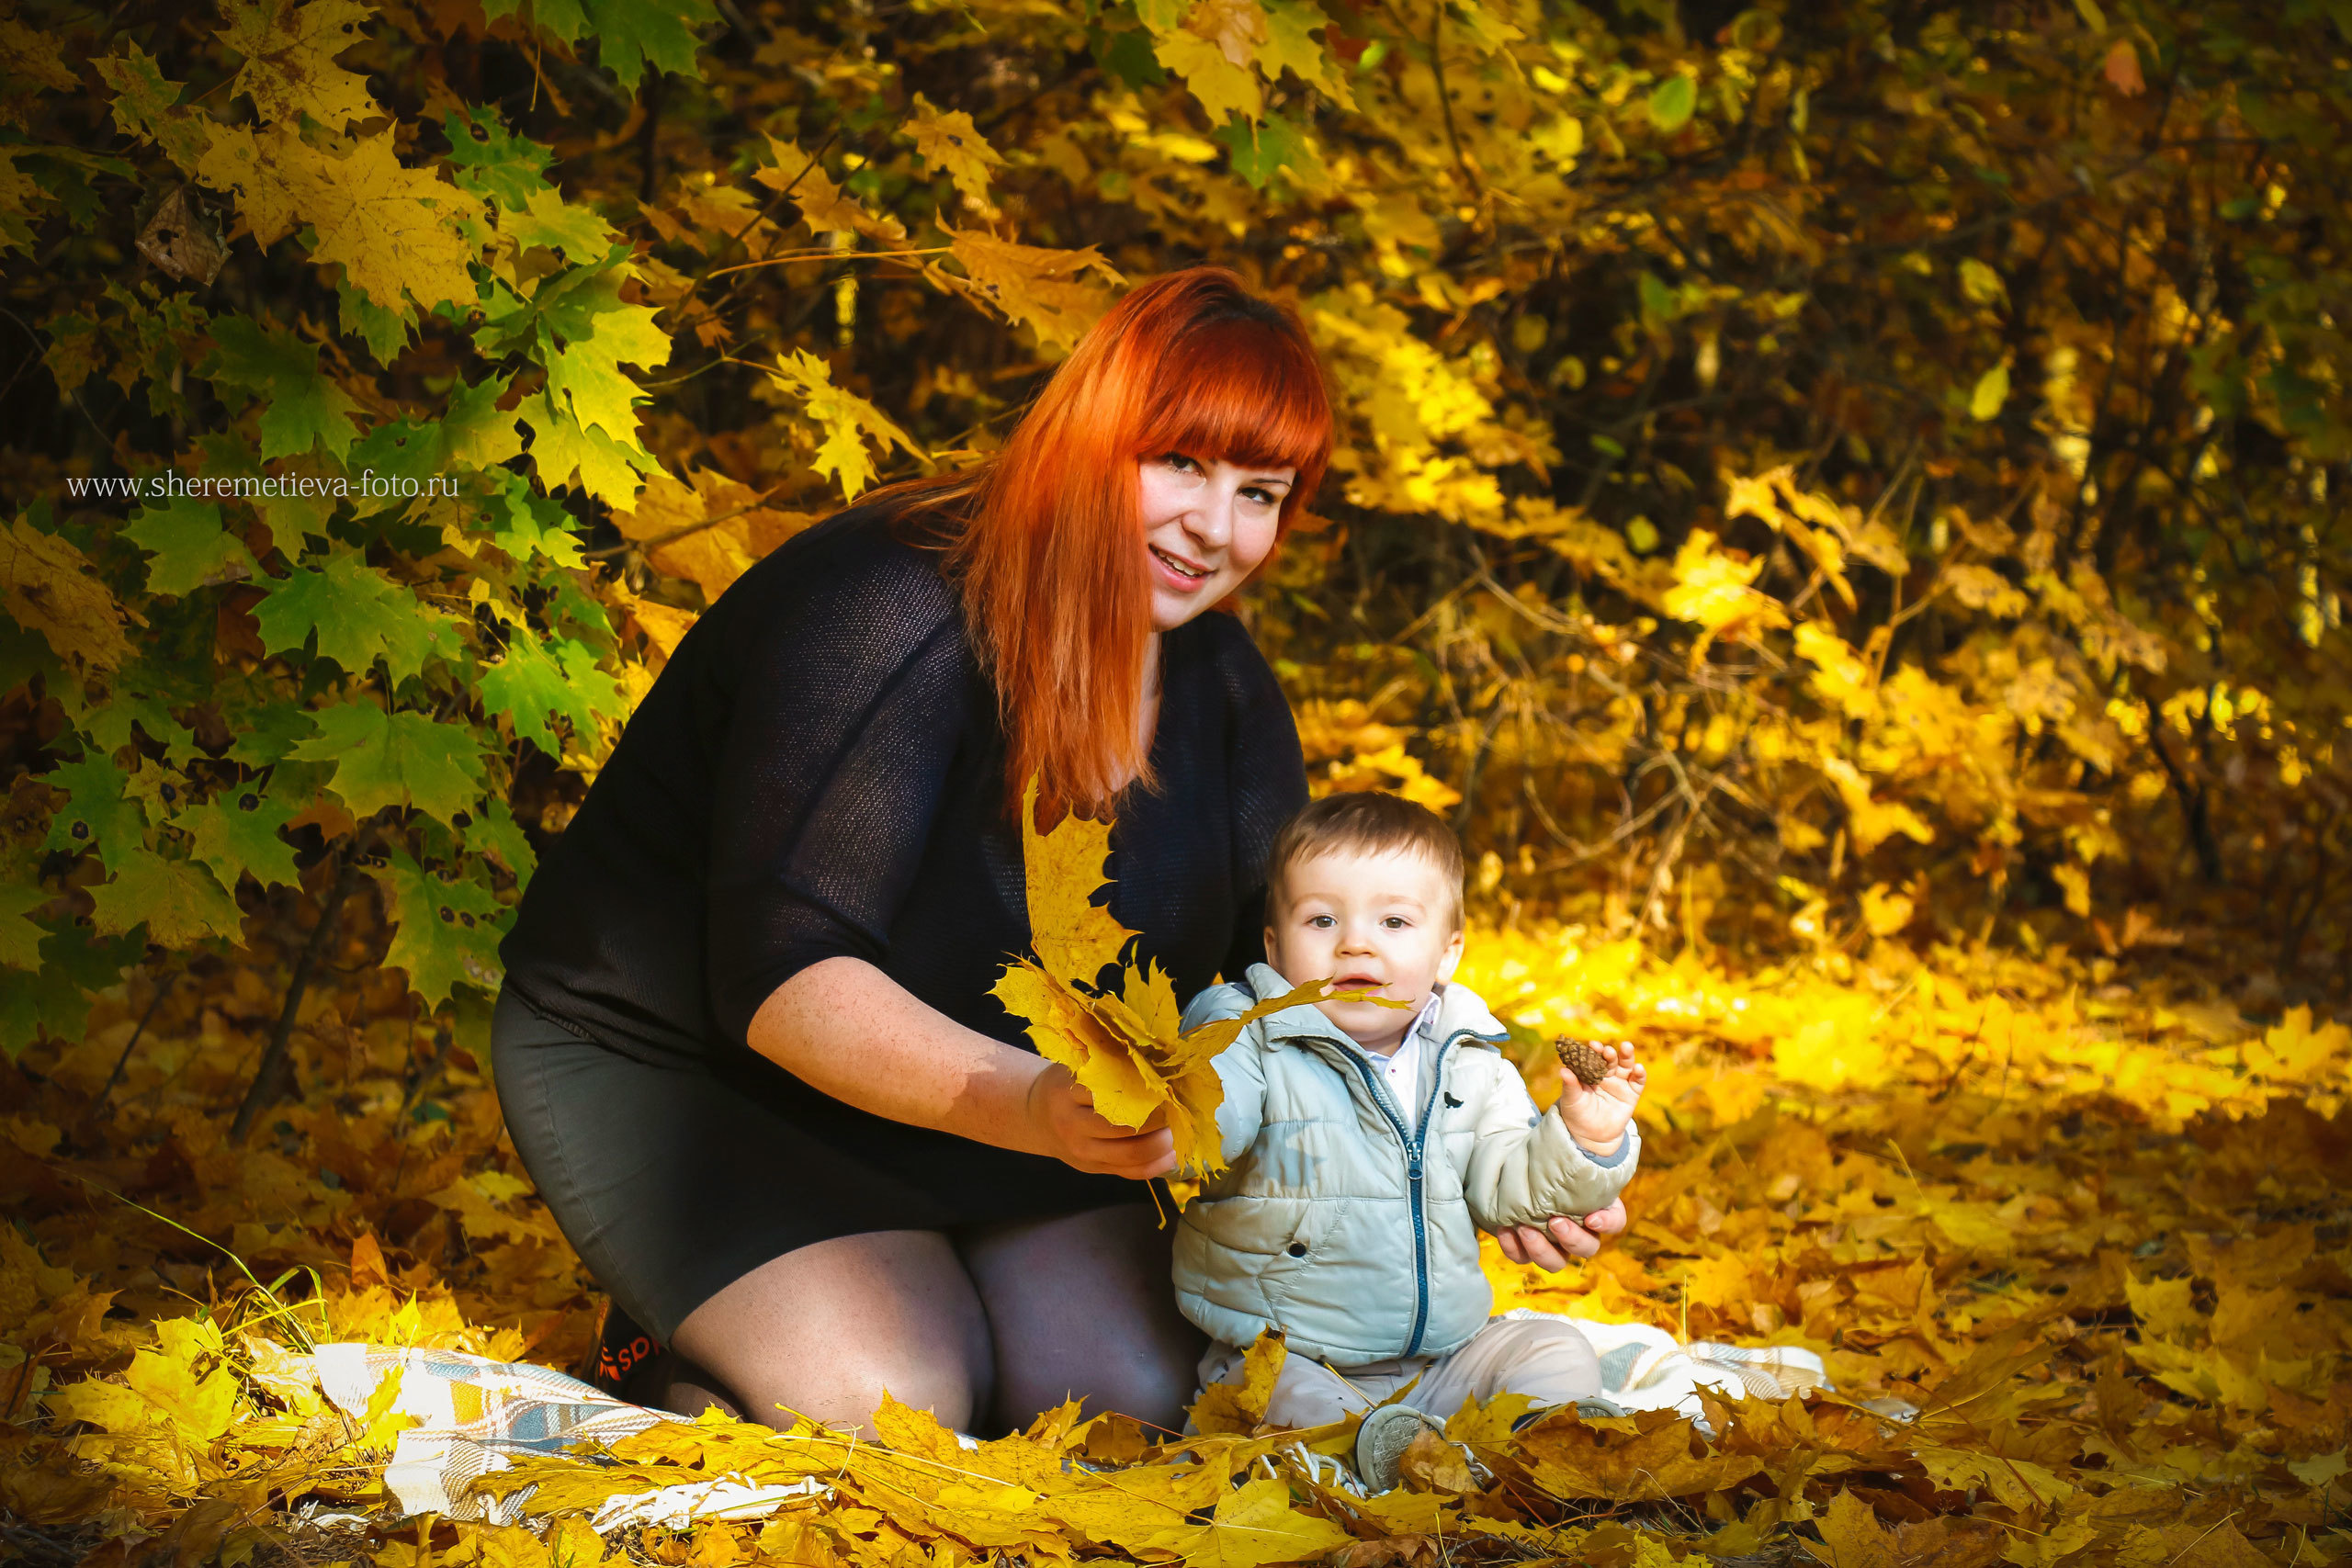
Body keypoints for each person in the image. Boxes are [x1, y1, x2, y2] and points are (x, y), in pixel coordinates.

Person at [489, 266, 1623, 1443]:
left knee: (1125, 1401)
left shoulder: (1224, 691)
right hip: (700, 1073)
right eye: (1178, 463)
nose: (1214, 528)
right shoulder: (890, 609)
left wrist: (1486, 1160)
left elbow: (1287, 1001)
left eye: (1260, 491)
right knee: (896, 1397)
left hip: (1013, 1103)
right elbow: (781, 980)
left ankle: (898, 1280)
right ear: (1091, 439)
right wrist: (1037, 1106)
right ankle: (660, 1338)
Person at [1174, 791, 1646, 1491]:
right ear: (1273, 945)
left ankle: (1547, 1435)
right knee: (1272, 1403)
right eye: (1322, 918)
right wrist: (1195, 1096)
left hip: (1443, 1358)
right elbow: (1214, 1120)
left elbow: (1511, 1182)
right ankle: (1381, 1455)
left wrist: (1586, 1135)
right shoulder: (1246, 1033)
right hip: (1293, 1355)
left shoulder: (1471, 1060)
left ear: (1447, 949)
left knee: (1554, 1345)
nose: (1355, 942)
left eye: (1394, 920)